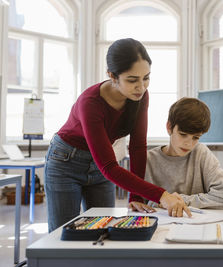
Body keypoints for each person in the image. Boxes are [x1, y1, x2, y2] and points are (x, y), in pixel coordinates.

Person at [44, 38, 190, 233]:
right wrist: (162, 195)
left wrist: (135, 197)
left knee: (103, 232)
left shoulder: (140, 96)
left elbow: (138, 147)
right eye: (132, 80)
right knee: (64, 235)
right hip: (65, 162)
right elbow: (109, 167)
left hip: (100, 165)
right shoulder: (90, 102)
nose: (141, 86)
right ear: (112, 76)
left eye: (146, 77)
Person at [133, 97, 223, 210]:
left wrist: (180, 201)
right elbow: (136, 204)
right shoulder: (148, 160)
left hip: (196, 224)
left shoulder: (201, 154)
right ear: (169, 127)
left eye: (195, 137)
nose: (189, 144)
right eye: (183, 134)